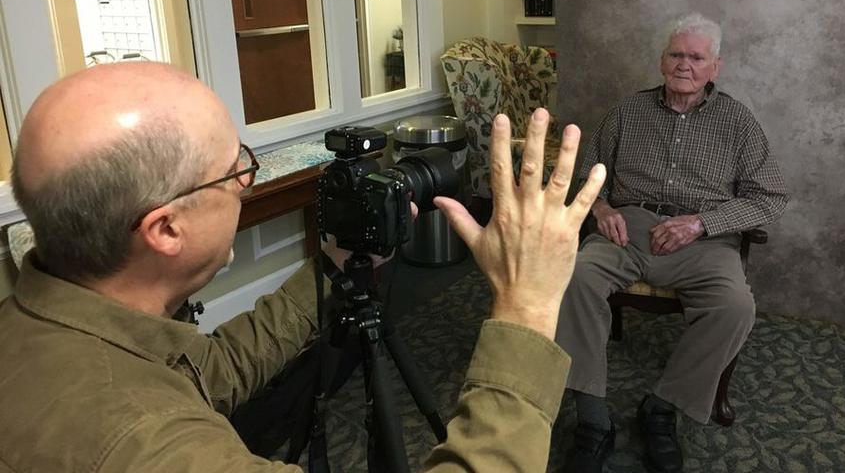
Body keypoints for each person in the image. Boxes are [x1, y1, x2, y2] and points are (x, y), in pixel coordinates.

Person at [0, 61, 605, 472]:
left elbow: (205, 370)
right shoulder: (152, 445)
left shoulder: (42, 326)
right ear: (166, 229)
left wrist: (335, 267)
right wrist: (526, 305)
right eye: (234, 166)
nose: (244, 179)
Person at [557, 13, 790, 473]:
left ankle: (662, 407)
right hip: (627, 227)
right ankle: (592, 419)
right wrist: (601, 210)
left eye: (696, 57)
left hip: (703, 239)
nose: (685, 64)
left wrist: (703, 223)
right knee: (576, 277)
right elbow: (587, 177)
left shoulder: (738, 121)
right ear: (663, 59)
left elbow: (770, 195)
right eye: (676, 54)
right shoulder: (627, 111)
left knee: (735, 307)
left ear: (715, 67)